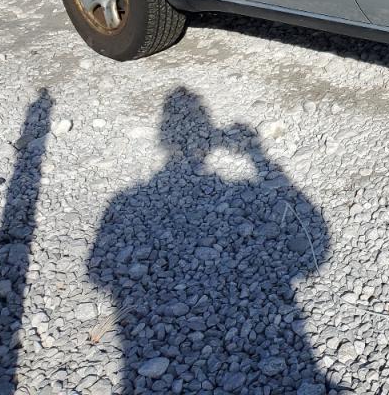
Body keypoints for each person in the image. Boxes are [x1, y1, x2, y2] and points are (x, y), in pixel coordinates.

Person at [89, 88, 329, 393]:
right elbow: (316, 251)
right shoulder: (126, 201)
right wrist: (258, 157)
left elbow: (97, 274)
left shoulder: (122, 202)